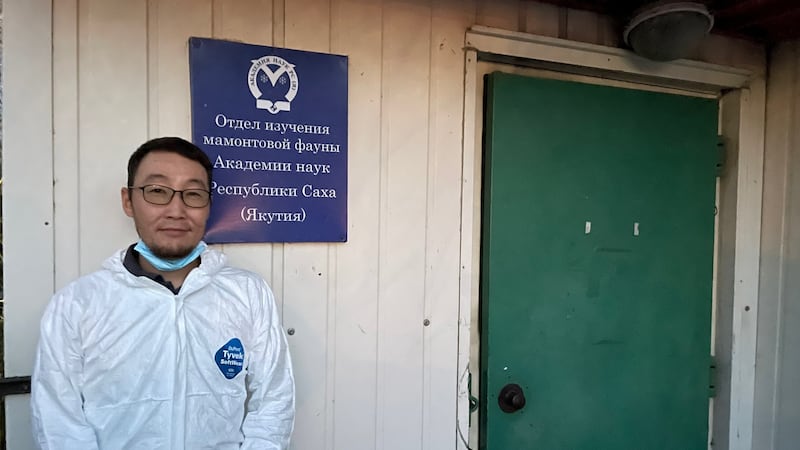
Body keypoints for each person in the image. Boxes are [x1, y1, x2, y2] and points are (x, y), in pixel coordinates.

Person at [31, 137, 295, 449]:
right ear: (128, 201)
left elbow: (274, 400)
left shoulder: (247, 293)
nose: (176, 210)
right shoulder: (77, 304)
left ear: (209, 204)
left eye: (193, 194)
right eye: (157, 191)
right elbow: (58, 421)